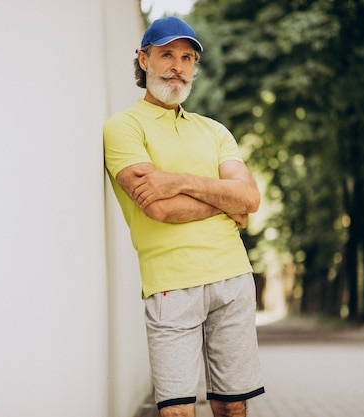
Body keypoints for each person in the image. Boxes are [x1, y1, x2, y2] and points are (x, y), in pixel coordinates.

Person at [103, 16, 265, 417]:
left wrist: (177, 180)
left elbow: (249, 197)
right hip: (171, 286)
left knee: (233, 405)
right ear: (144, 60)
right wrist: (225, 203)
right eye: (167, 55)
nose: (178, 66)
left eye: (187, 57)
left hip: (233, 279)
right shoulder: (123, 128)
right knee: (176, 410)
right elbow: (158, 208)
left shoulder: (215, 131)